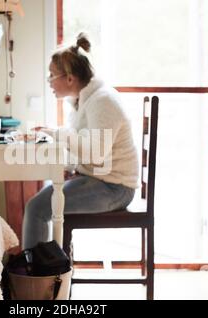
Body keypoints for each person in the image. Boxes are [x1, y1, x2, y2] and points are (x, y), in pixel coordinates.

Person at [22, 33, 139, 250]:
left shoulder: (103, 101)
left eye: (51, 75)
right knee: (45, 196)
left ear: (69, 78)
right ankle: (50, 267)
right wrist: (71, 166)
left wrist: (56, 133)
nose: (49, 82)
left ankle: (35, 277)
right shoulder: (86, 100)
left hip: (116, 188)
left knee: (37, 208)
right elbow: (85, 145)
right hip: (102, 180)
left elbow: (96, 153)